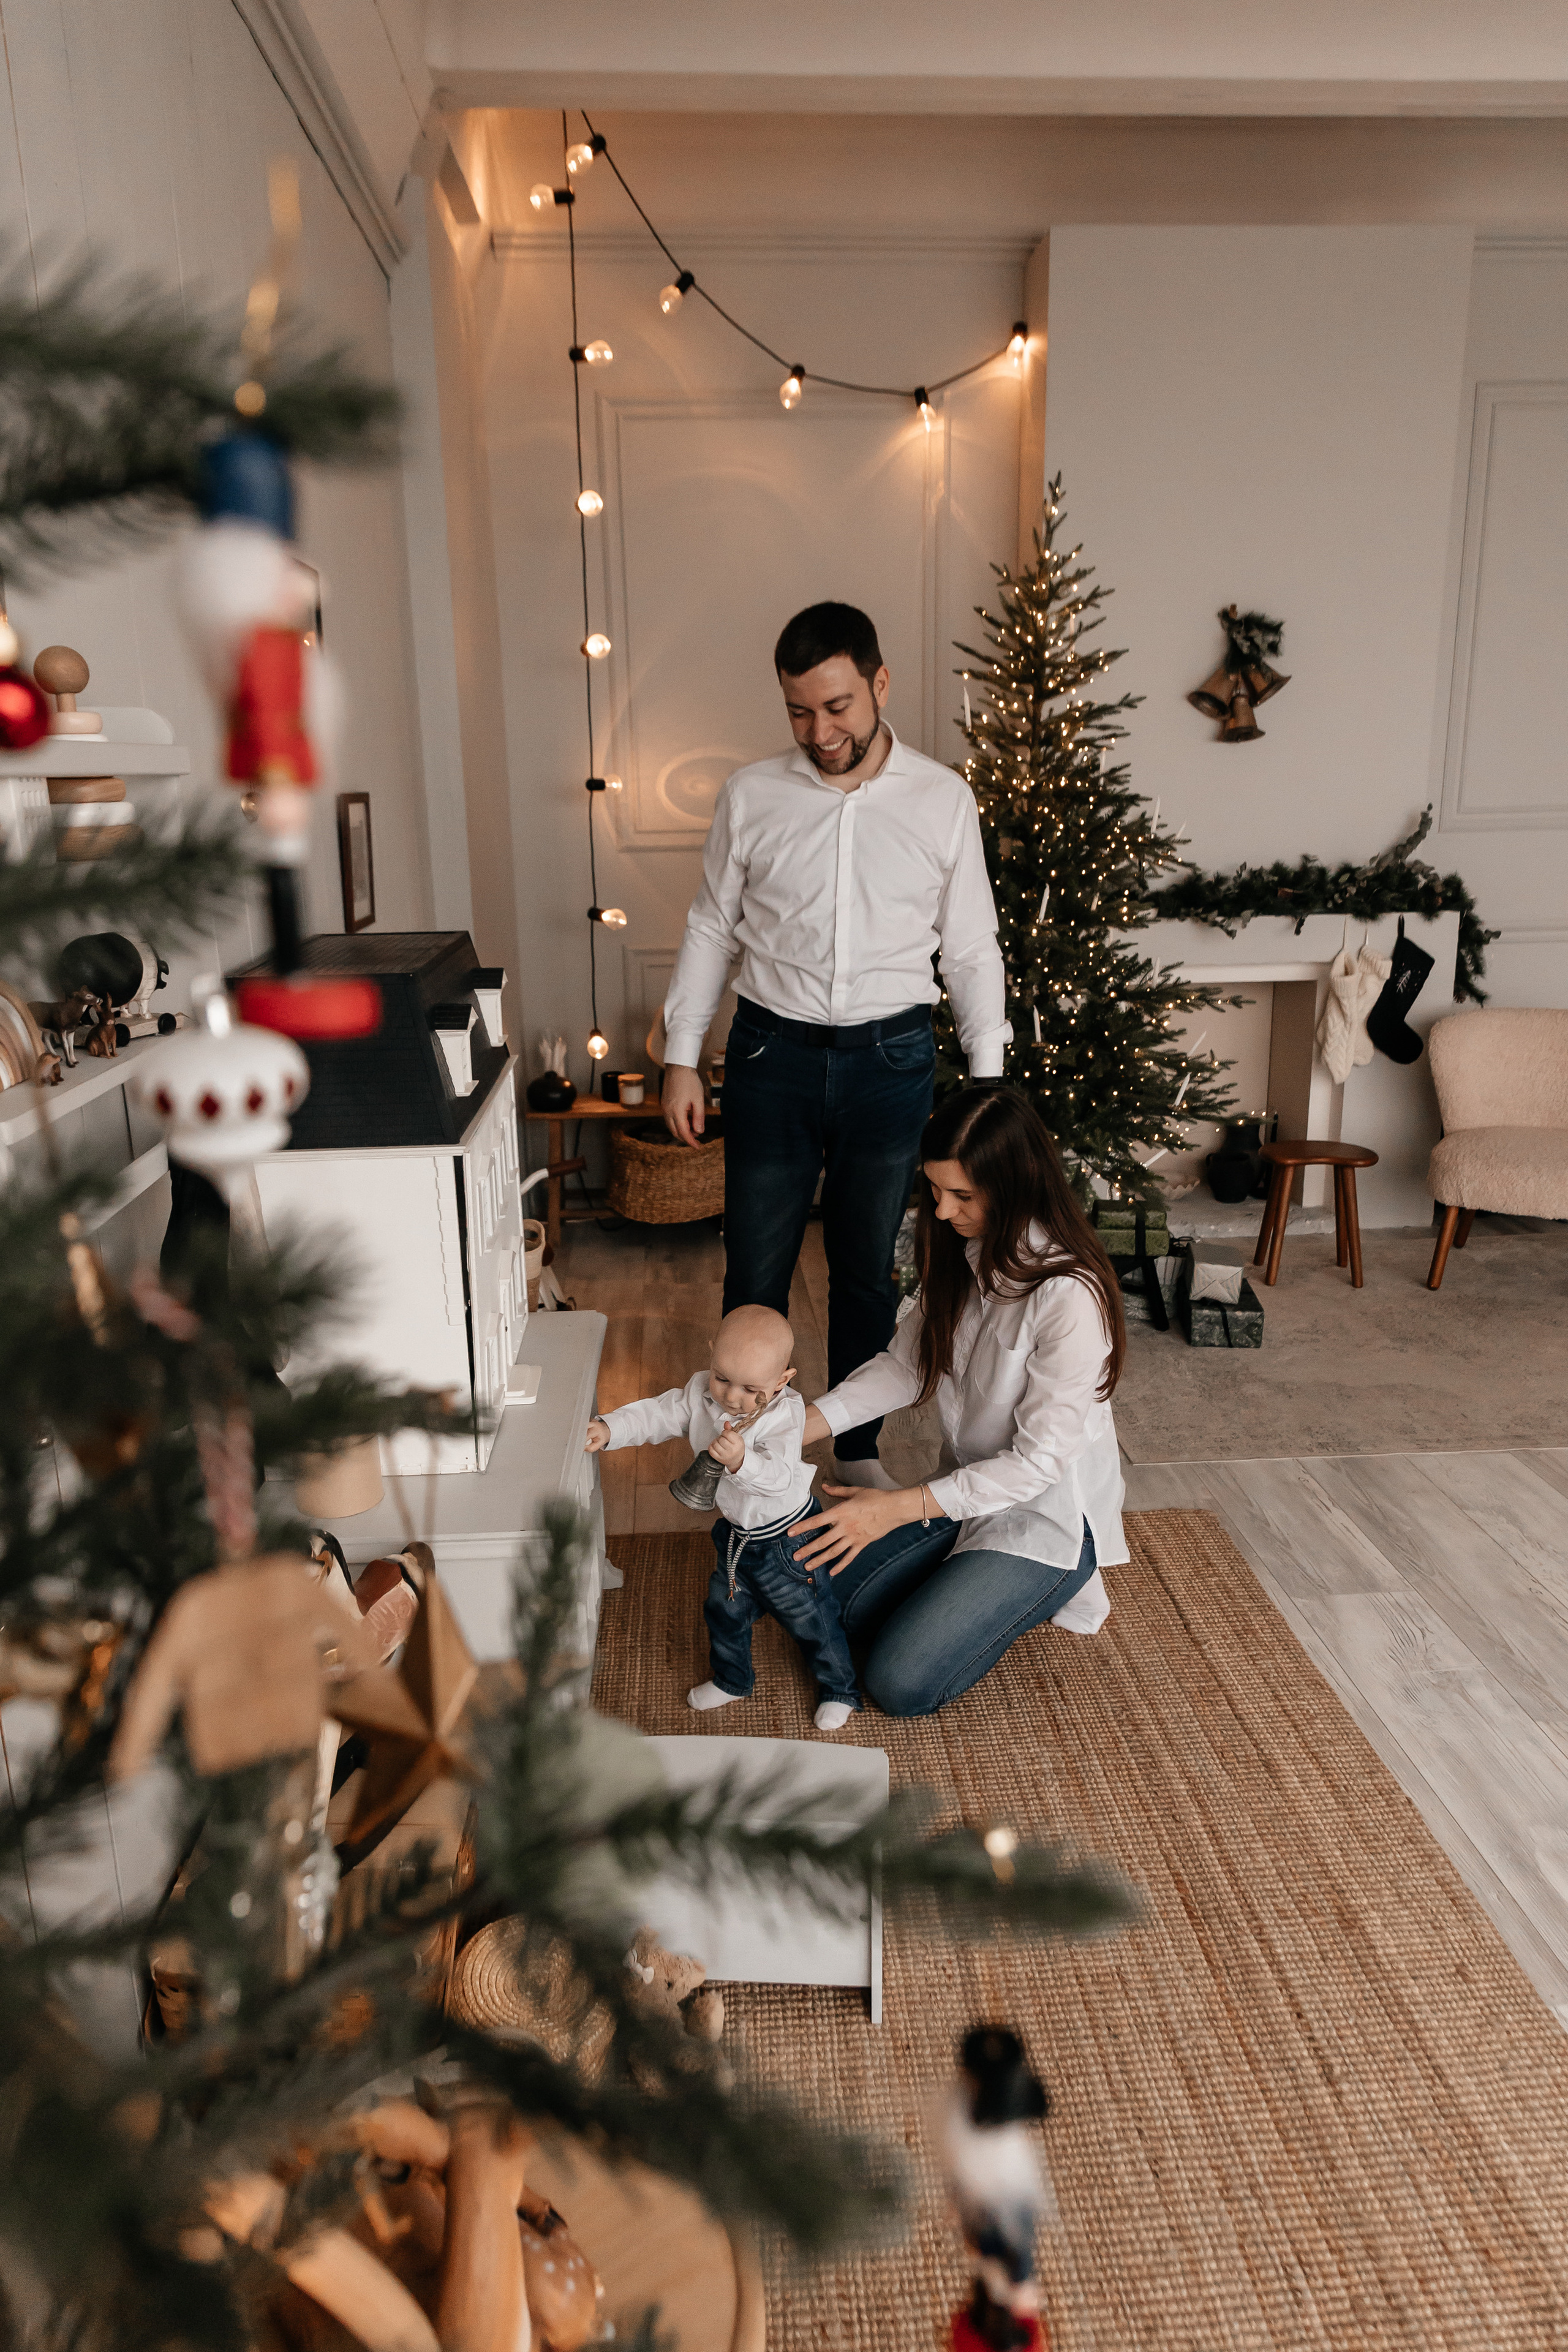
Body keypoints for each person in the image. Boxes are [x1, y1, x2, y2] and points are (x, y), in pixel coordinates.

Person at [660, 601, 1010, 1490]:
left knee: (866, 1269)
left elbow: (969, 947)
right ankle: (751, 1453)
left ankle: (854, 1455)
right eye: (800, 711)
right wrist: (680, 1055)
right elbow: (711, 927)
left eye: (840, 707)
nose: (821, 731)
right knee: (758, 1265)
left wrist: (988, 1083)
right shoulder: (752, 794)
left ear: (880, 685)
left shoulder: (941, 799)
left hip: (890, 1062)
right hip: (770, 1057)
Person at [790, 1086, 1127, 1718]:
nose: (941, 1212)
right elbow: (903, 1366)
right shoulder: (966, 1254)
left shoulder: (1067, 1297)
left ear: (1016, 1184)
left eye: (962, 1196)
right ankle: (951, 1583)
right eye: (935, 1191)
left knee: (899, 1682)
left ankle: (1038, 1590)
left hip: (1044, 1520)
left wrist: (894, 1510)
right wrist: (798, 1425)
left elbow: (1035, 1468)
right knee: (814, 1595)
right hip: (964, 1489)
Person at [584, 1304, 858, 1733]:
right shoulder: (701, 1393)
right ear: (711, 1356)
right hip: (735, 1537)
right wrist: (611, 1429)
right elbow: (658, 1413)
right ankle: (733, 1679)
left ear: (783, 1380)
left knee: (812, 1618)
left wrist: (744, 1461)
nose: (731, 1396)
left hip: (788, 1542)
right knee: (724, 1612)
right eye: (722, 1377)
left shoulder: (785, 1415)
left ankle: (840, 1688)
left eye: (750, 1388)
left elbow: (781, 1479)